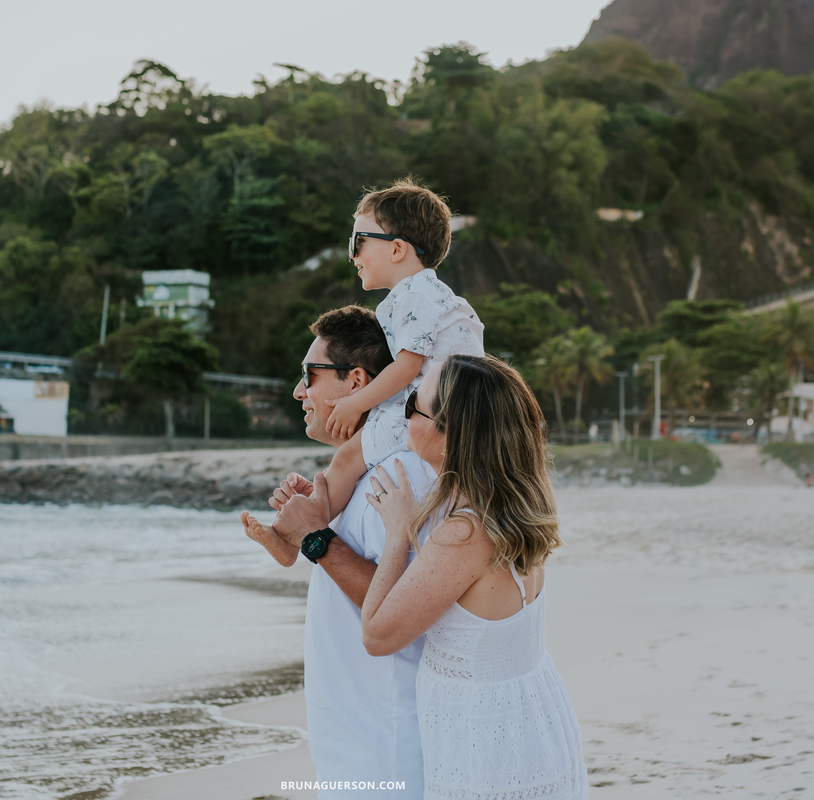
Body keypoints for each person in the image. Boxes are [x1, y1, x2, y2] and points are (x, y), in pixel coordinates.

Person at [359, 355, 588, 799]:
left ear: (450, 436)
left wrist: (396, 533)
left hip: (487, 732)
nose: (405, 416)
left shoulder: (464, 533)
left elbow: (376, 635)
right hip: (532, 711)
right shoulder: (519, 505)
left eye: (412, 406)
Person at [240, 305, 437, 797]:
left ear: (356, 382)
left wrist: (316, 539)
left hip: (387, 743)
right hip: (360, 736)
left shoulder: (399, 477)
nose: (298, 391)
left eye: (310, 375)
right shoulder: (366, 476)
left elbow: (406, 611)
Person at [318, 179, 483, 520]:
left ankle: (301, 529)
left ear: (396, 250)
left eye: (358, 242)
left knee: (347, 458)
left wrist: (355, 403)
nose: (352, 255)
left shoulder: (414, 296)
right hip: (455, 412)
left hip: (426, 412)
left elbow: (408, 368)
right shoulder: (435, 295)